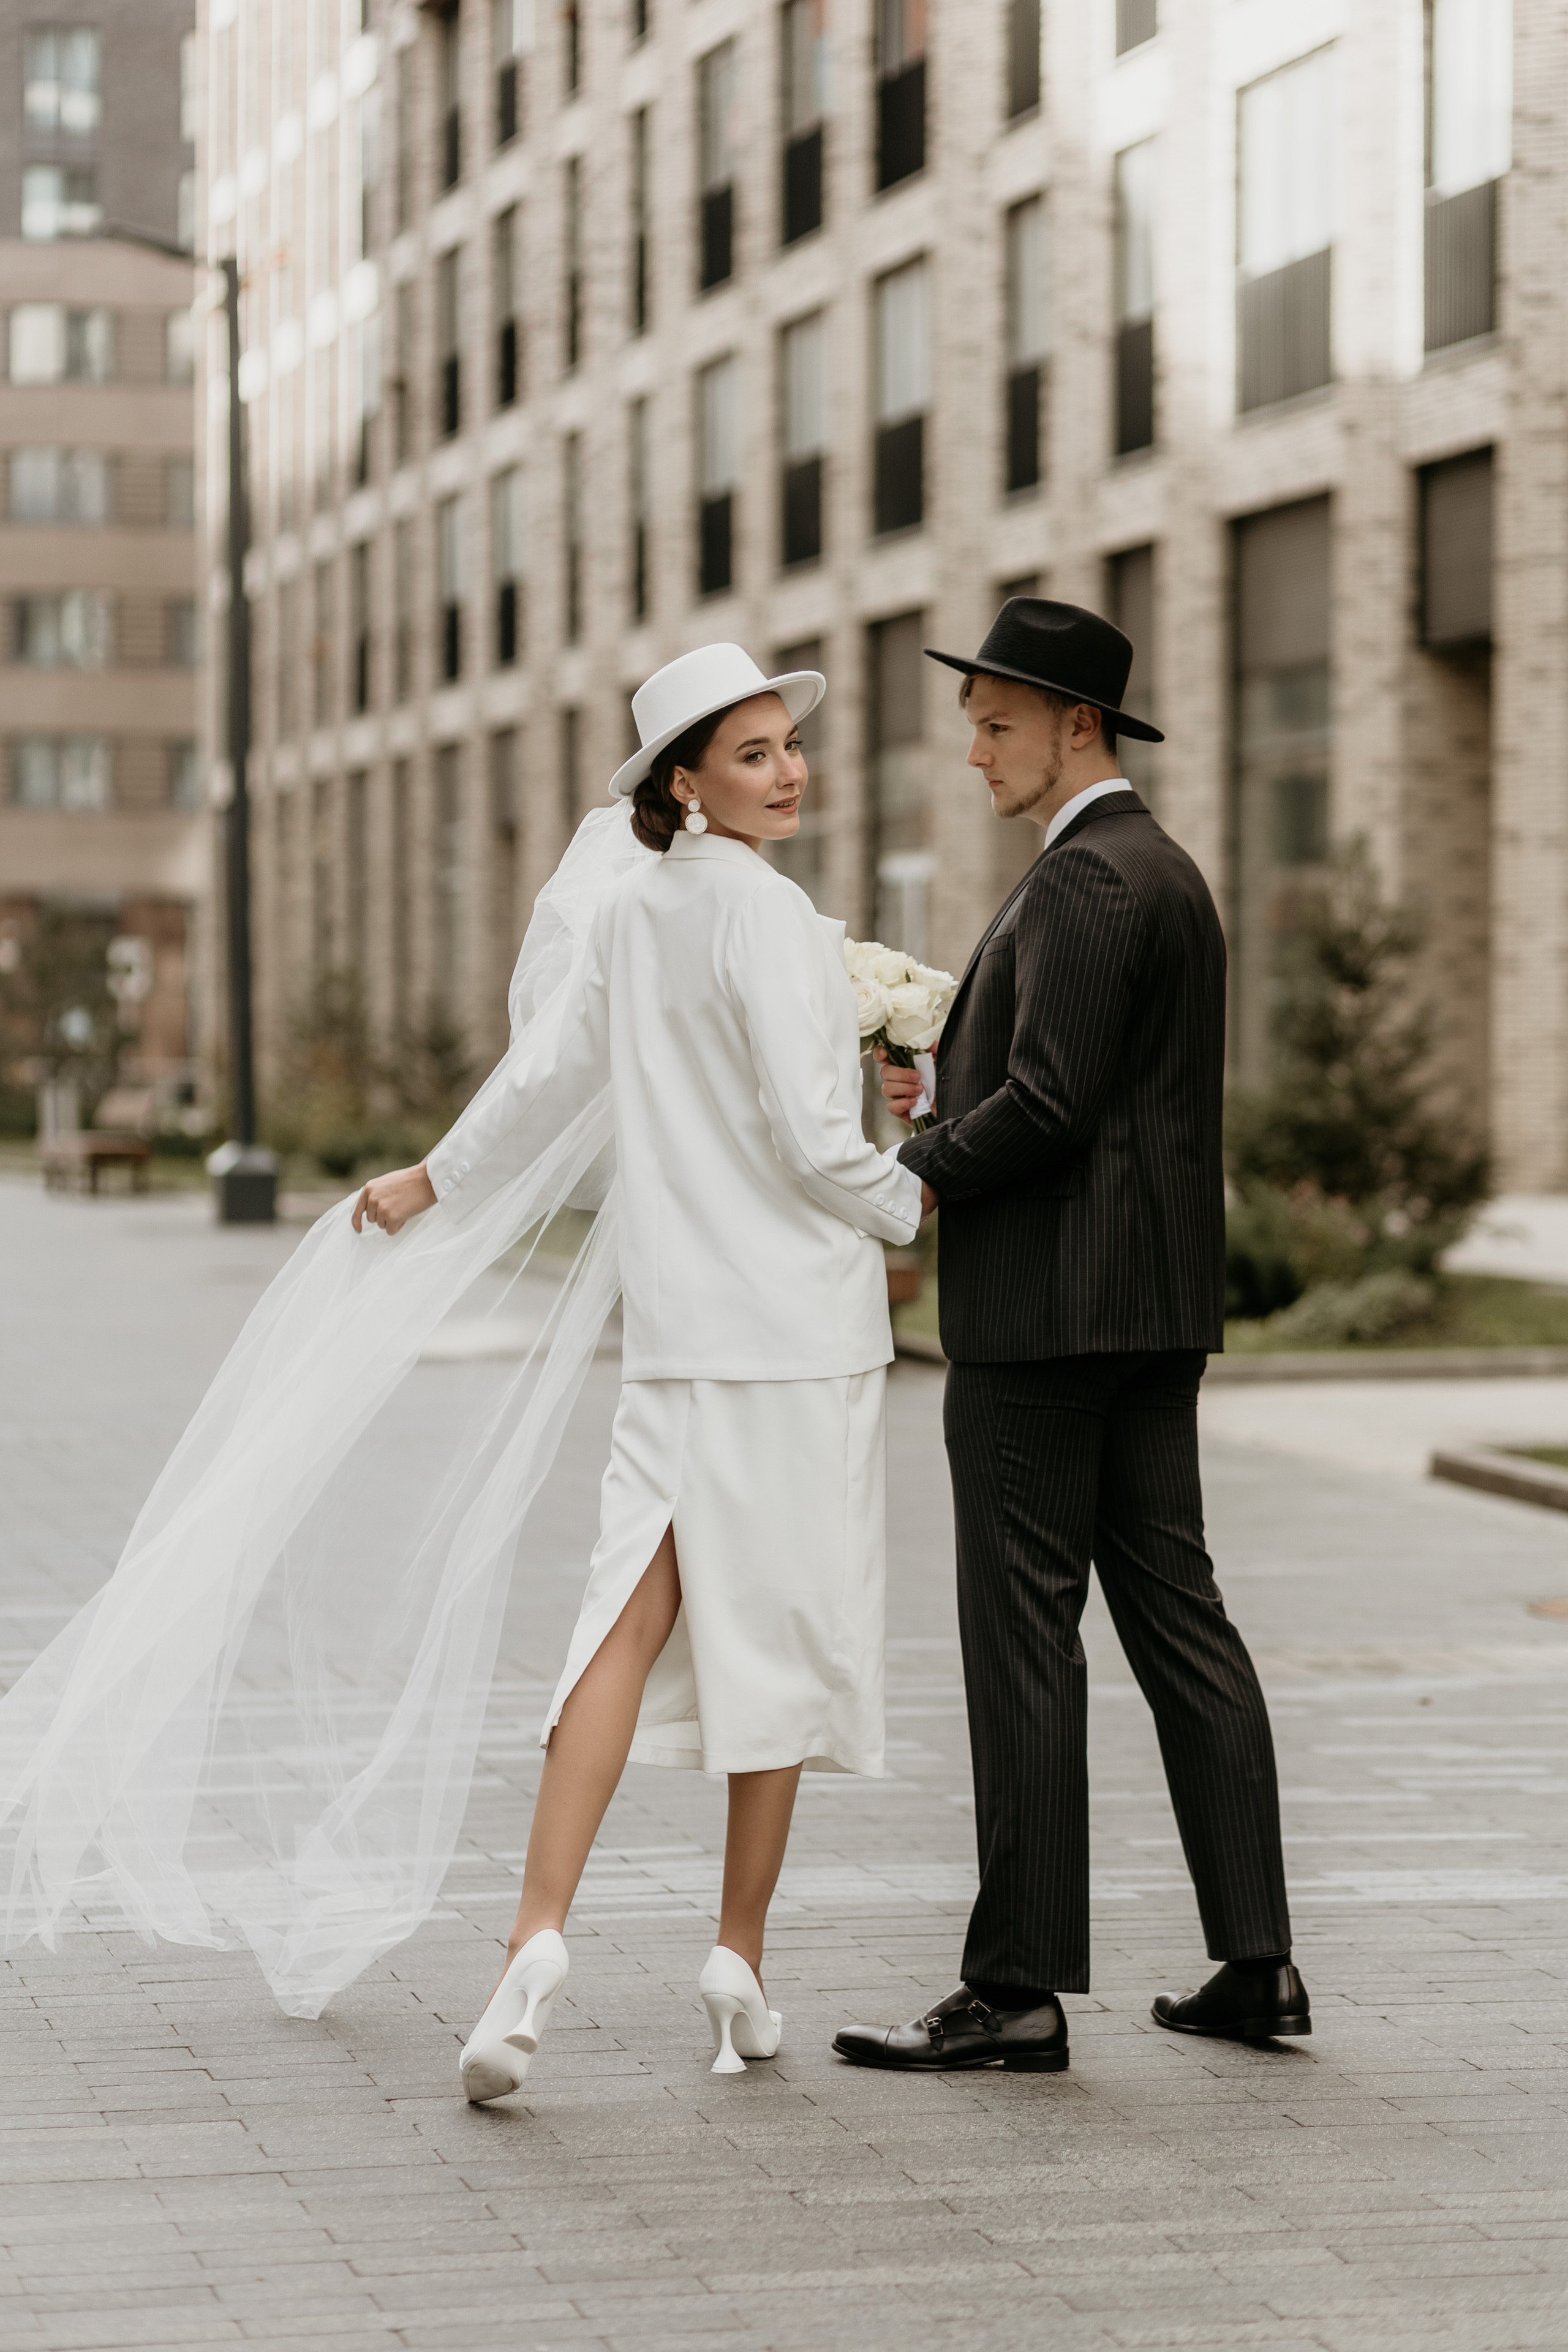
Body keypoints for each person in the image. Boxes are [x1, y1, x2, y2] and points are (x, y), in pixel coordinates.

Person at [355, 644, 930, 2098]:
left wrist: (434, 1178)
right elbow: (813, 1143)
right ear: (684, 781)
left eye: (785, 745)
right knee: (778, 1646)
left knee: (618, 1623)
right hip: (795, 1340)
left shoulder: (627, 914)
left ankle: (529, 1946)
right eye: (748, 753)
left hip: (676, 1338)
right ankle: (736, 1954)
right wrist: (916, 1191)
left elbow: (542, 1080)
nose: (785, 768)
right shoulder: (779, 920)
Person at [833, 598, 1306, 2077]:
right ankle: (1256, 1963)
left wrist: (894, 1179)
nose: (972, 753)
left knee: (1023, 1634)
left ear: (1075, 727)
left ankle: (1017, 1985)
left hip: (1050, 1323)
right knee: (1177, 1619)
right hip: (1141, 1314)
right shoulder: (1141, 871)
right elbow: (1065, 1092)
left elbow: (1051, 1109)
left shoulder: (1095, 879)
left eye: (993, 725)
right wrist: (945, 1096)